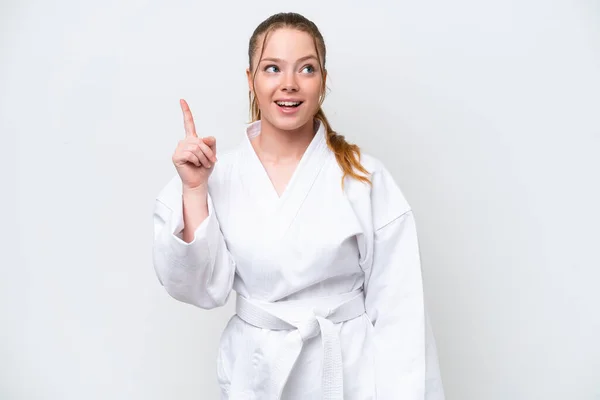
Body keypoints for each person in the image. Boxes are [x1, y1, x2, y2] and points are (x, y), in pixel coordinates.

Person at [152, 12, 445, 400]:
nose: (288, 84)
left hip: (348, 374)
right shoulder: (216, 175)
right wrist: (193, 190)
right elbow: (198, 289)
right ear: (250, 80)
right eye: (272, 68)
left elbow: (401, 313)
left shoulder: (363, 177)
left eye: (306, 69)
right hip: (257, 373)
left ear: (323, 80)